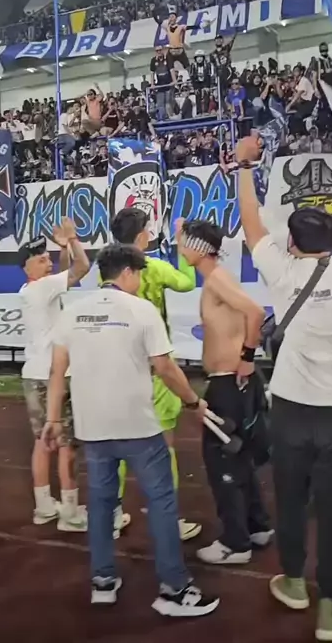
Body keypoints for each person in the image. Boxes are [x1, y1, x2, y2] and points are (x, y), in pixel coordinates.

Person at [236, 134, 332, 642]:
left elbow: (251, 222)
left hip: (291, 408)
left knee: (289, 501)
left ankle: (293, 582)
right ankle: (331, 610)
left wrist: (245, 165)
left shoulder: (282, 271)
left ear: (291, 242)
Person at [44, 243, 219, 617]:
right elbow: (166, 368)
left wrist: (53, 419)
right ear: (127, 273)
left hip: (93, 428)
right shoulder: (142, 310)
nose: (139, 280)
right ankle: (174, 589)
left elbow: (57, 371)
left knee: (102, 505)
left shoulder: (73, 312)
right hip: (138, 426)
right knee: (161, 503)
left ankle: (103, 581)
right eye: (139, 273)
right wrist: (193, 402)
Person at [177, 219, 272, 566]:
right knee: (239, 456)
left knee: (223, 459)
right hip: (232, 381)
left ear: (198, 248)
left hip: (230, 382)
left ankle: (236, 543)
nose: (179, 249)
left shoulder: (217, 278)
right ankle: (257, 527)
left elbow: (256, 312)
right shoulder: (217, 276)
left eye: (183, 244)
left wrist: (246, 357)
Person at [109, 207, 201, 541]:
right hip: (156, 367)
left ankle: (113, 514)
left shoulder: (108, 270)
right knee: (164, 445)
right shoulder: (155, 267)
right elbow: (187, 282)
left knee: (118, 445)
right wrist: (180, 243)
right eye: (147, 229)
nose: (150, 234)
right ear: (140, 235)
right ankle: (169, 519)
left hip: (121, 367)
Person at [19, 219, 90, 531]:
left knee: (41, 441)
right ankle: (71, 513)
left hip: (33, 373)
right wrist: (73, 241)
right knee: (66, 444)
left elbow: (62, 278)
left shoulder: (31, 289)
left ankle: (44, 506)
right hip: (56, 375)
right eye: (41, 260)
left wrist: (62, 251)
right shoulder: (44, 287)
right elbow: (82, 268)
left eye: (48, 258)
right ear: (27, 267)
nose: (48, 264)